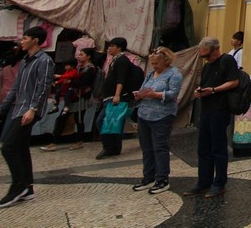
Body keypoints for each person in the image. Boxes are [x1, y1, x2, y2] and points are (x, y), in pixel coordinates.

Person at [0, 26, 54, 208]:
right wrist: (1, 110)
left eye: (25, 38)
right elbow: (15, 88)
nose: (21, 41)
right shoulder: (24, 61)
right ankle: (28, 187)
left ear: (35, 40)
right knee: (21, 148)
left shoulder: (45, 61)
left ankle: (18, 186)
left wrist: (33, 109)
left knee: (8, 147)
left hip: (29, 111)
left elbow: (43, 88)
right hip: (18, 109)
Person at [185, 36, 240, 198]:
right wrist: (200, 91)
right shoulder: (208, 66)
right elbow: (206, 83)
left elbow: (234, 82)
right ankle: (203, 182)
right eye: (203, 56)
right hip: (206, 109)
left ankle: (219, 182)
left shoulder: (227, 61)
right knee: (203, 148)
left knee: (218, 148)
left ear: (216, 49)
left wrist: (214, 90)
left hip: (220, 109)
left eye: (207, 55)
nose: (206, 59)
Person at [133, 46, 183, 195]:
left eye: (156, 63)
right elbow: (144, 88)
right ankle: (148, 176)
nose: (154, 66)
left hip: (162, 114)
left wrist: (156, 95)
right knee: (146, 148)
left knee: (160, 147)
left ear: (165, 61)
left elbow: (173, 93)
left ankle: (162, 179)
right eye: (152, 63)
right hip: (144, 113)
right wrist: (140, 95)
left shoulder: (174, 74)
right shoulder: (150, 74)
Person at [41, 48, 97, 151]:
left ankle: (79, 141)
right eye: (79, 54)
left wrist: (69, 81)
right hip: (72, 97)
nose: (79, 56)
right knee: (62, 118)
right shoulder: (78, 67)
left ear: (88, 56)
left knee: (78, 119)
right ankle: (54, 142)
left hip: (81, 97)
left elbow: (84, 83)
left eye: (82, 54)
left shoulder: (90, 68)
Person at [98, 37, 142, 159]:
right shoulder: (114, 60)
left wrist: (117, 95)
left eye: (112, 46)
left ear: (119, 48)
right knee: (112, 122)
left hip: (116, 98)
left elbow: (121, 78)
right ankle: (113, 147)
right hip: (110, 97)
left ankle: (110, 148)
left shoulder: (122, 60)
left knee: (106, 121)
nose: (109, 48)